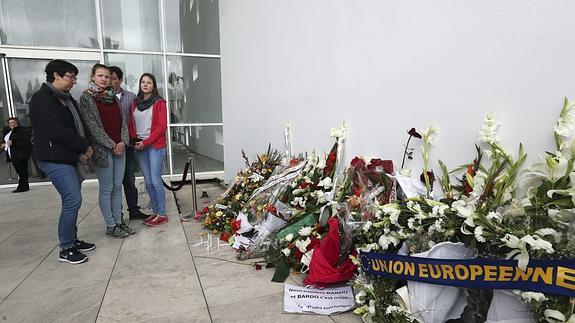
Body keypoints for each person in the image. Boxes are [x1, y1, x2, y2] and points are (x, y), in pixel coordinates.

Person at [29, 59, 95, 264]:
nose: (74, 81)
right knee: (72, 199)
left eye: (75, 77)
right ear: (55, 75)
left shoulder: (67, 99)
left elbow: (80, 125)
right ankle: (66, 248)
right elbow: (56, 130)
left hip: (70, 156)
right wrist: (83, 146)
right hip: (53, 157)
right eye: (70, 76)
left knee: (73, 200)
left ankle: (72, 239)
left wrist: (87, 145)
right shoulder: (41, 99)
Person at [78, 64, 134, 238]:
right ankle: (110, 225)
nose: (104, 79)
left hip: (120, 148)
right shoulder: (87, 97)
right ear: (93, 77)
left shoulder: (113, 96)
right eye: (100, 75)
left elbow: (123, 122)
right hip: (103, 150)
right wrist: (112, 145)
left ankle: (118, 221)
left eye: (107, 76)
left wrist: (124, 142)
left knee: (117, 187)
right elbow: (92, 127)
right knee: (107, 188)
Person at [109, 66, 148, 220]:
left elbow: (135, 121)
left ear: (120, 80)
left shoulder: (131, 98)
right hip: (110, 146)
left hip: (128, 146)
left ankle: (134, 210)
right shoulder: (101, 98)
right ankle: (116, 214)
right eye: (106, 77)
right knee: (113, 183)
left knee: (129, 180)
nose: (109, 81)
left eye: (112, 78)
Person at [129, 73, 168, 227]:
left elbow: (161, 127)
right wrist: (135, 141)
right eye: (143, 82)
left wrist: (146, 142)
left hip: (154, 146)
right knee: (148, 181)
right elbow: (131, 124)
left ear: (154, 86)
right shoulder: (135, 103)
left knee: (155, 180)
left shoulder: (159, 103)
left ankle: (162, 214)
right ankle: (155, 212)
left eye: (149, 82)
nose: (145, 85)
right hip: (140, 146)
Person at [2, 117, 32, 193]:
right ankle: (25, 186)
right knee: (20, 172)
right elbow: (8, 142)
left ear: (17, 122)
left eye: (13, 122)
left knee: (22, 172)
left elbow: (26, 143)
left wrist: (14, 143)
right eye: (10, 123)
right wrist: (4, 144)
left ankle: (22, 187)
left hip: (21, 154)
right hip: (12, 155)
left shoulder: (22, 130)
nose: (12, 124)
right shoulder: (8, 131)